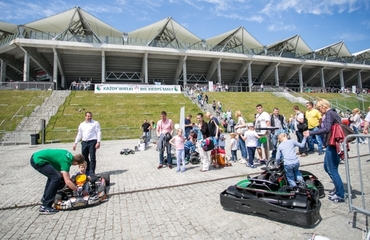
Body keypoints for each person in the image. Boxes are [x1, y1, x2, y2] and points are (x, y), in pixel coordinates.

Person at [305, 98, 345, 203]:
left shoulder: (328, 114)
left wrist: (311, 133)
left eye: (319, 108)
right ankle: (338, 189)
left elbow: (327, 129)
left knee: (332, 170)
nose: (319, 110)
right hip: (334, 143)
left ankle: (340, 194)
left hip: (332, 143)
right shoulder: (334, 113)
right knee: (328, 168)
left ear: (323, 106)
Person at [30, 149, 85, 214]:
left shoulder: (68, 154)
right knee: (56, 178)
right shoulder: (66, 162)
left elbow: (56, 161)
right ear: (76, 163)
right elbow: (67, 182)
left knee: (54, 176)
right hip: (38, 160)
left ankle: (45, 199)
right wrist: (78, 190)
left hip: (37, 156)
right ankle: (45, 206)